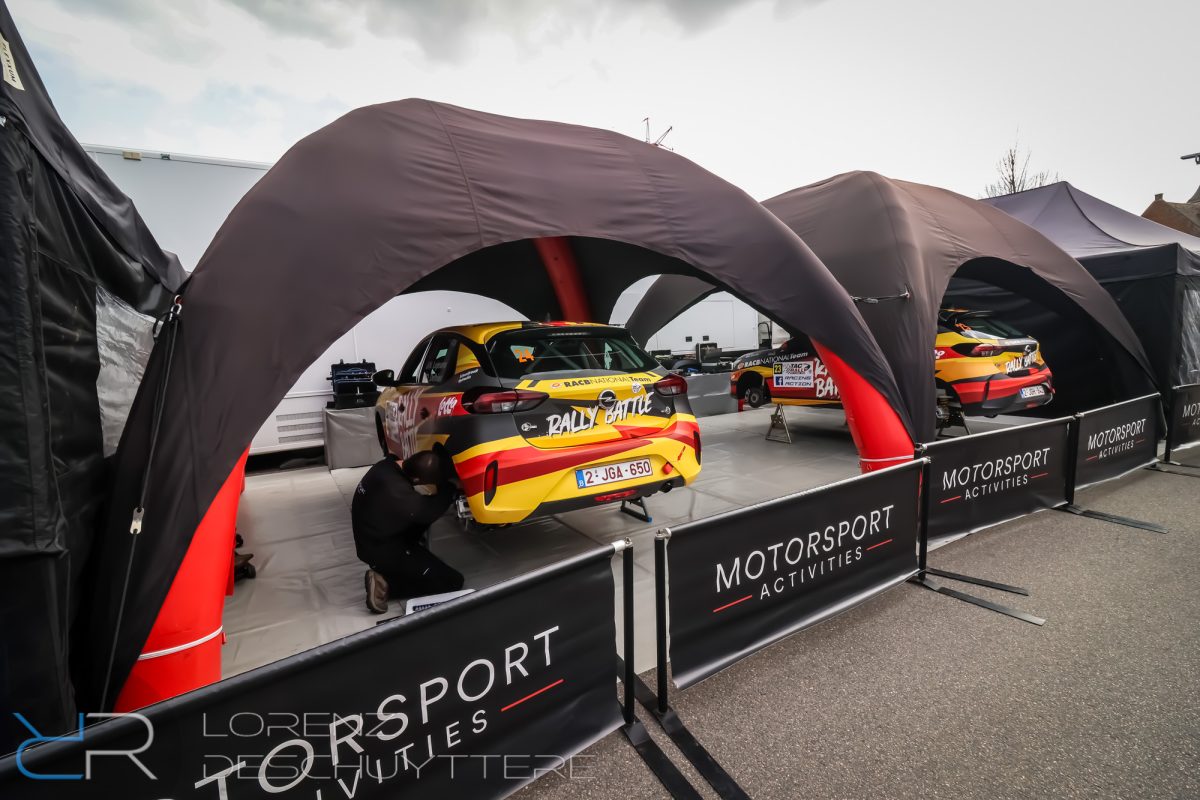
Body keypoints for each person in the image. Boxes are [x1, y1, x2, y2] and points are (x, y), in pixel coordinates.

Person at [351, 450, 464, 613]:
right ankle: (386, 584)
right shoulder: (397, 492)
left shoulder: (386, 466)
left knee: (418, 520)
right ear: (417, 479)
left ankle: (401, 568)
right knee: (452, 581)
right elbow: (428, 511)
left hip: (373, 536)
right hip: (384, 551)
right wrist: (450, 488)